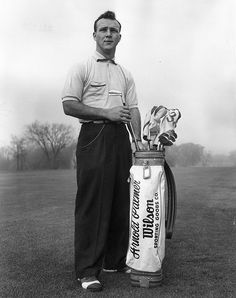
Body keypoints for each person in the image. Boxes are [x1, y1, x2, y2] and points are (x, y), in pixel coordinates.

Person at [62, 10, 144, 292]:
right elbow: (69, 104)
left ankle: (114, 260)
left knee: (121, 200)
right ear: (94, 35)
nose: (108, 34)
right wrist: (106, 113)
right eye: (103, 30)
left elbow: (132, 109)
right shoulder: (82, 67)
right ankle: (87, 270)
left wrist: (138, 142)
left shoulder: (125, 73)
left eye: (113, 30)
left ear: (120, 36)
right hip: (93, 134)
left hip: (121, 138)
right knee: (93, 202)